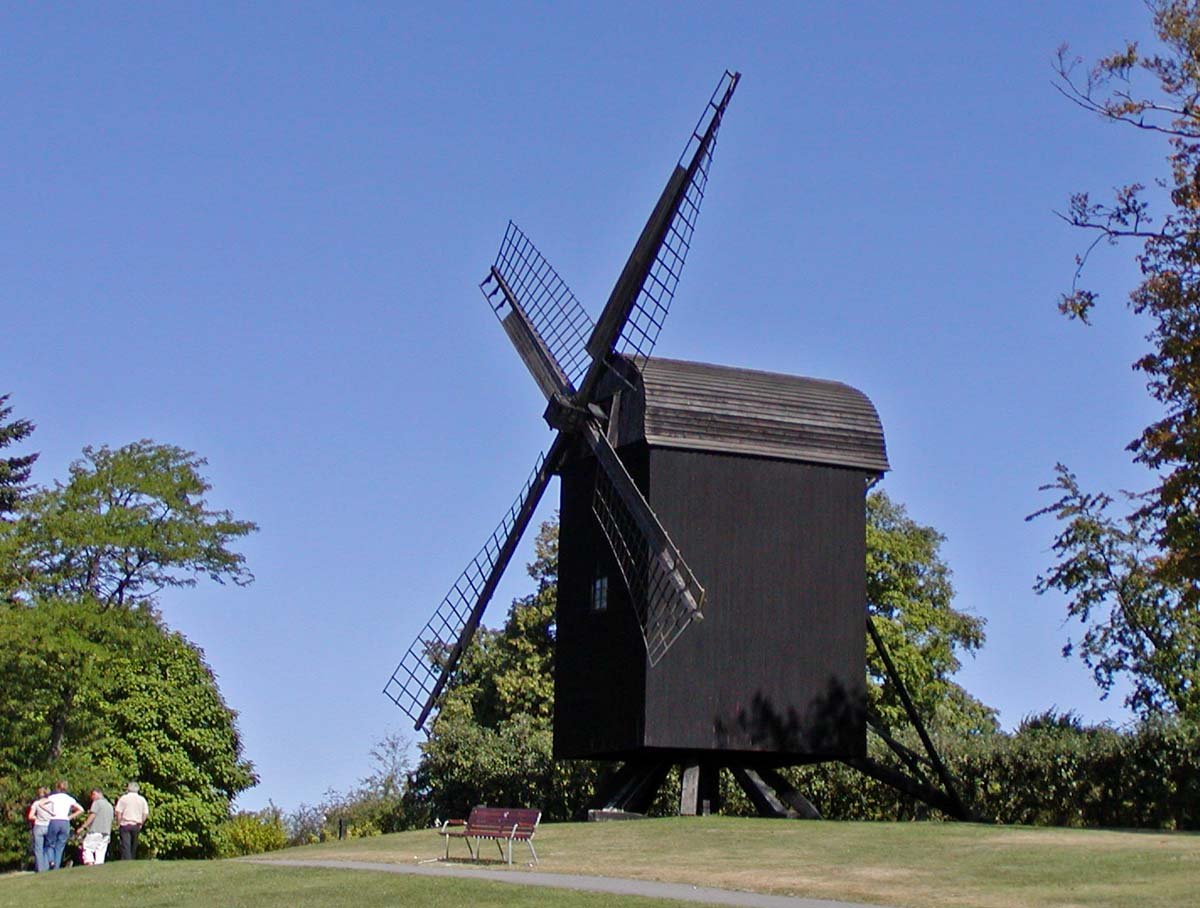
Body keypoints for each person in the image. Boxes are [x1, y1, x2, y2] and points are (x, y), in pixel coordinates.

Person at [42, 780, 84, 870]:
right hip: (65, 822)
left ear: (57, 787)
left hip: (54, 820)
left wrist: (50, 812)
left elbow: (41, 804)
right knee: (60, 846)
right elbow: (81, 809)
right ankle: (56, 866)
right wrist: (70, 817)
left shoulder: (53, 797)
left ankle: (51, 860)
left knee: (50, 843)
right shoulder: (69, 798)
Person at [77, 788, 114, 865]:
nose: (92, 797)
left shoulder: (97, 803)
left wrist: (83, 827)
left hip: (95, 830)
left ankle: (89, 863)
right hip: (106, 832)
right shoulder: (109, 805)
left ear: (99, 793)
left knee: (87, 847)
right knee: (100, 851)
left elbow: (92, 815)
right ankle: (98, 867)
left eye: (93, 794)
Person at [114, 781, 149, 860]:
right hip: (136, 824)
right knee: (134, 845)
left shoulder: (124, 798)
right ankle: (132, 859)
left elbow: (118, 812)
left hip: (125, 824)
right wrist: (141, 823)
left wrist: (118, 823)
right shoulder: (142, 799)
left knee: (126, 844)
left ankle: (127, 860)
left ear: (128, 788)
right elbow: (145, 813)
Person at [26, 786, 52, 873]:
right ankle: (48, 865)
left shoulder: (36, 803)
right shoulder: (51, 803)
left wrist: (37, 817)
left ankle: (40, 868)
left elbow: (30, 816)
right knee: (48, 847)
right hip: (49, 825)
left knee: (38, 849)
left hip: (39, 826)